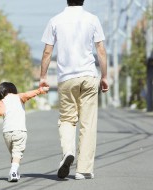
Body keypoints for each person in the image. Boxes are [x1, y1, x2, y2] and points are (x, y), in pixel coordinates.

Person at [40, 0, 109, 180]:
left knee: (67, 119)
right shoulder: (93, 19)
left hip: (66, 79)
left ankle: (68, 151)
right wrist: (104, 76)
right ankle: (83, 169)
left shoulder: (55, 20)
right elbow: (100, 50)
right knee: (88, 122)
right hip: (88, 76)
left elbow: (47, 52)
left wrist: (43, 77)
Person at [0, 82, 48, 182]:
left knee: (14, 154)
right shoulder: (19, 97)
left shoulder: (2, 101)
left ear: (1, 92)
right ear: (13, 90)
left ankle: (15, 172)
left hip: (7, 133)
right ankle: (13, 172)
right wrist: (40, 90)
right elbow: (28, 94)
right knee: (17, 154)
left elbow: (0, 112)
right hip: (20, 131)